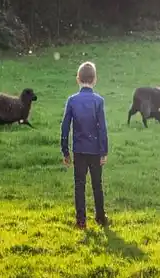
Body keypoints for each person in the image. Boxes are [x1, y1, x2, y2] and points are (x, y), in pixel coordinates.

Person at [61, 61, 109, 229]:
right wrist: (104, 151)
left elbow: (65, 127)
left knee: (79, 185)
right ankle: (100, 216)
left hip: (79, 150)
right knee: (97, 184)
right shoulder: (99, 101)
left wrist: (65, 151)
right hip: (95, 150)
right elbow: (102, 128)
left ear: (78, 79)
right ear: (94, 80)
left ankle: (81, 220)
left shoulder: (72, 101)